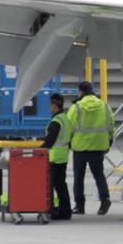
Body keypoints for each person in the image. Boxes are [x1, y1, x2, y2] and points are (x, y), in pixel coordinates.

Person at [67, 81, 115, 215]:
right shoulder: (104, 106)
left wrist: (68, 142)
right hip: (98, 146)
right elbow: (111, 125)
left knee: (79, 177)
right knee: (99, 175)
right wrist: (109, 141)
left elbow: (69, 126)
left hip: (80, 147)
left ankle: (79, 205)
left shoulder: (76, 107)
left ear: (80, 92)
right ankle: (105, 199)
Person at [39, 93, 73, 221]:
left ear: (55, 106)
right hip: (63, 157)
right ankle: (66, 211)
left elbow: (50, 141)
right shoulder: (65, 119)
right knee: (61, 186)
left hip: (53, 158)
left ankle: (51, 211)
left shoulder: (55, 122)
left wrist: (37, 150)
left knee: (50, 185)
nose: (49, 107)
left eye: (50, 105)